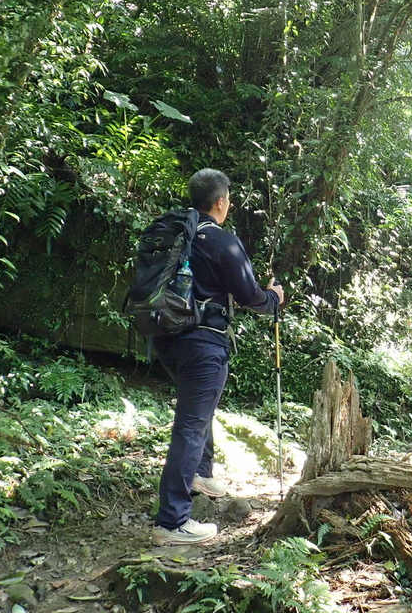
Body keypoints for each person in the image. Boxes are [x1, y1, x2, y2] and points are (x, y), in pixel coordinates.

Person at [150, 168, 284, 546]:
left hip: (164, 339)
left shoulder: (174, 234)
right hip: (203, 344)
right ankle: (172, 522)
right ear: (221, 202)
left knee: (198, 413)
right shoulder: (222, 240)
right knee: (191, 426)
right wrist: (274, 298)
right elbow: (249, 295)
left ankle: (201, 474)